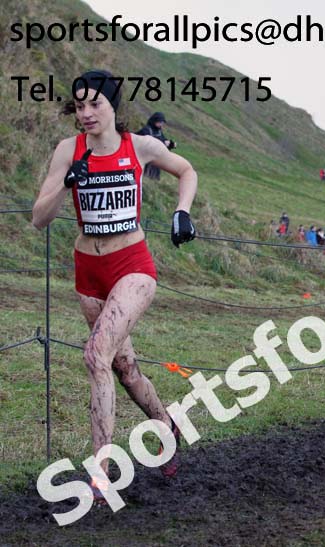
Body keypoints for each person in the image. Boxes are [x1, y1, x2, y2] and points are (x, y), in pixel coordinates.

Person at [31, 70, 197, 501]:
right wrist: (66, 183)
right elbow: (39, 218)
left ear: (112, 105)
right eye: (80, 105)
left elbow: (186, 170)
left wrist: (182, 212)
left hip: (132, 265)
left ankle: (100, 475)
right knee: (123, 368)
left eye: (95, 104)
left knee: (95, 356)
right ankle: (168, 426)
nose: (86, 113)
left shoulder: (138, 146)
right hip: (89, 271)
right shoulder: (68, 150)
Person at [136, 112, 176, 180]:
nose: (161, 124)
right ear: (155, 120)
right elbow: (141, 141)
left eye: (162, 122)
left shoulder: (159, 131)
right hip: (147, 157)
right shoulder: (146, 130)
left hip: (156, 158)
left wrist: (170, 144)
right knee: (146, 175)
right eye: (160, 122)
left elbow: (163, 140)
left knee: (153, 177)